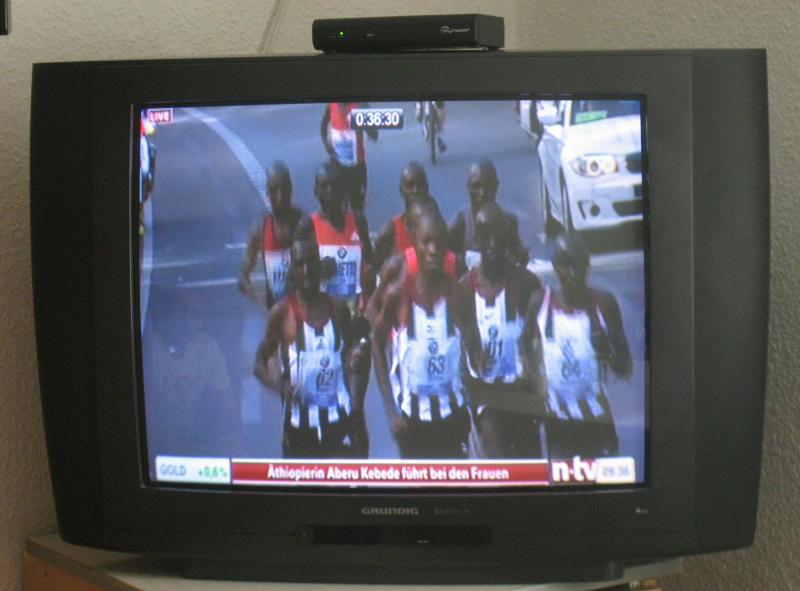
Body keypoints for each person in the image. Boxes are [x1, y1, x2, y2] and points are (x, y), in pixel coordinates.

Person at [253, 237, 370, 458]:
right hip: (300, 427)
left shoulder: (337, 308)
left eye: (311, 263)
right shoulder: (282, 312)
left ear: (320, 266)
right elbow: (259, 363)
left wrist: (353, 358)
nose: (306, 271)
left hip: (338, 421)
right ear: (292, 270)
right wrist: (279, 386)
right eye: (300, 264)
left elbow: (350, 351)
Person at [371, 207, 470, 459]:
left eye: (439, 243)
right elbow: (377, 342)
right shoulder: (398, 294)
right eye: (426, 242)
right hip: (411, 424)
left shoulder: (458, 294)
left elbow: (474, 347)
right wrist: (391, 411)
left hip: (453, 420)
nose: (433, 250)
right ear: (414, 244)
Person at [457, 203, 546, 458]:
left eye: (499, 237)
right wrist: (473, 357)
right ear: (477, 239)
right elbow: (459, 345)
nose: (493, 245)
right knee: (496, 455)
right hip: (487, 397)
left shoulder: (525, 282)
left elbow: (542, 339)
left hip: (522, 394)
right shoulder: (465, 289)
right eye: (486, 237)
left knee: (528, 464)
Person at [536, 233, 632, 459]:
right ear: (556, 267)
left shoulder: (604, 304)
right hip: (559, 429)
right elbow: (525, 350)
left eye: (580, 266)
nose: (574, 273)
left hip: (597, 425)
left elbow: (625, 368)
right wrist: (539, 385)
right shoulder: (541, 303)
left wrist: (606, 350)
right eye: (567, 265)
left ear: (588, 268)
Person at [143, 290, 242, 462]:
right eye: (182, 311)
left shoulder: (207, 346)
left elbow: (228, 404)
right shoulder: (149, 348)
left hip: (192, 448)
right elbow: (148, 432)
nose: (188, 319)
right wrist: (200, 450)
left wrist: (237, 439)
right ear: (170, 312)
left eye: (195, 313)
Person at [295, 161, 375, 311]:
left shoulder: (358, 221)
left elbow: (371, 263)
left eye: (335, 186)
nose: (330, 192)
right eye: (324, 187)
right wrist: (316, 272)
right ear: (316, 192)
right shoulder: (307, 226)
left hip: (356, 310)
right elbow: (293, 278)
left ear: (343, 190)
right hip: (325, 313)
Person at [238, 161, 304, 308]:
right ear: (267, 192)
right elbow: (243, 278)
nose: (280, 197)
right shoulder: (260, 229)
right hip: (277, 311)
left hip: (304, 311)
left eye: (284, 190)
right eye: (275, 191)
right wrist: (259, 299)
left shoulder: (304, 224)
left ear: (291, 190)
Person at [448, 158, 528, 271]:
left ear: (496, 186)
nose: (482, 193)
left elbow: (520, 262)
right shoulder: (460, 224)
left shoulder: (509, 222)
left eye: (488, 186)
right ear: (468, 187)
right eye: (476, 186)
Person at [373, 161, 430, 273]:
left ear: (427, 189)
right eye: (410, 186)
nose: (415, 191)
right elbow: (376, 271)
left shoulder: (437, 230)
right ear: (401, 190)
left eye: (420, 186)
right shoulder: (389, 233)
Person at [320, 102, 378, 212]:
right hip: (337, 166)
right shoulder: (331, 105)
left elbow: (374, 135)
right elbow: (323, 127)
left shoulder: (360, 106)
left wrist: (366, 123)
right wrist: (326, 144)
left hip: (357, 169)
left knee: (358, 208)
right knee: (340, 208)